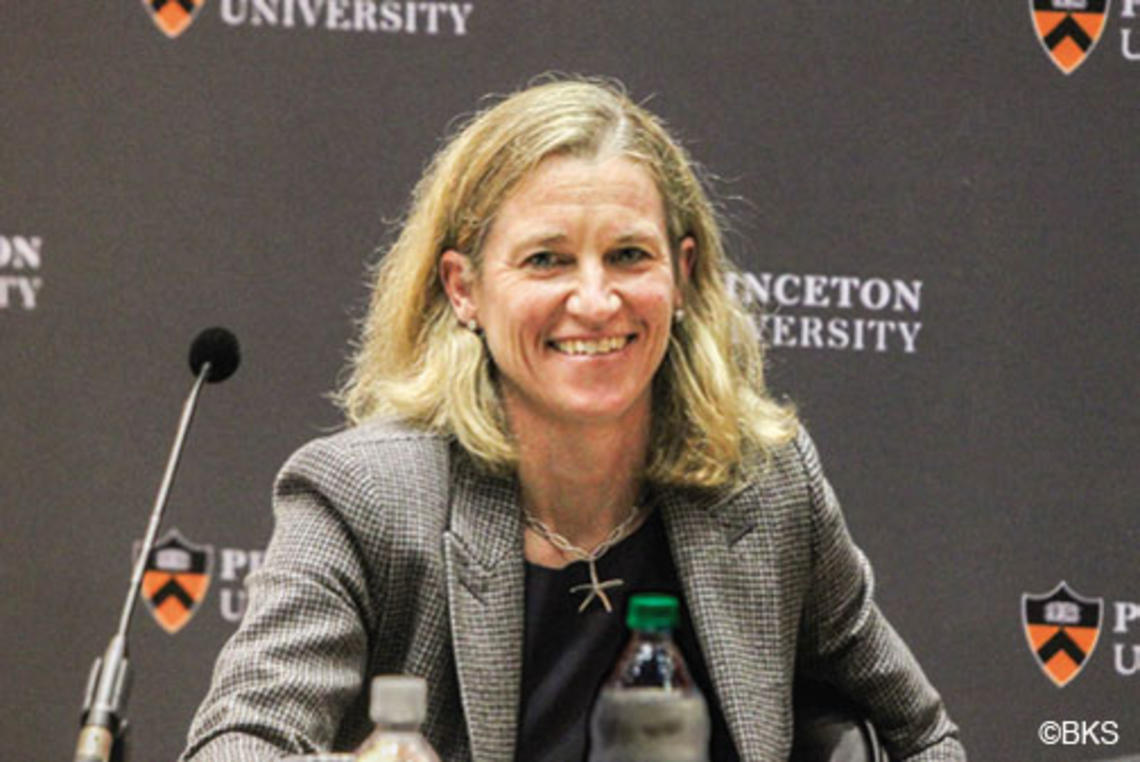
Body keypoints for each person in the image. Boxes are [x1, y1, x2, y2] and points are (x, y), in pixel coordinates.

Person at [181, 77, 965, 761]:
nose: (595, 302)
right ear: (463, 290)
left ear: (683, 273)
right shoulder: (366, 498)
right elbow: (236, 744)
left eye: (629, 256)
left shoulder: (765, 485)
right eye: (547, 260)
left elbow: (921, 737)